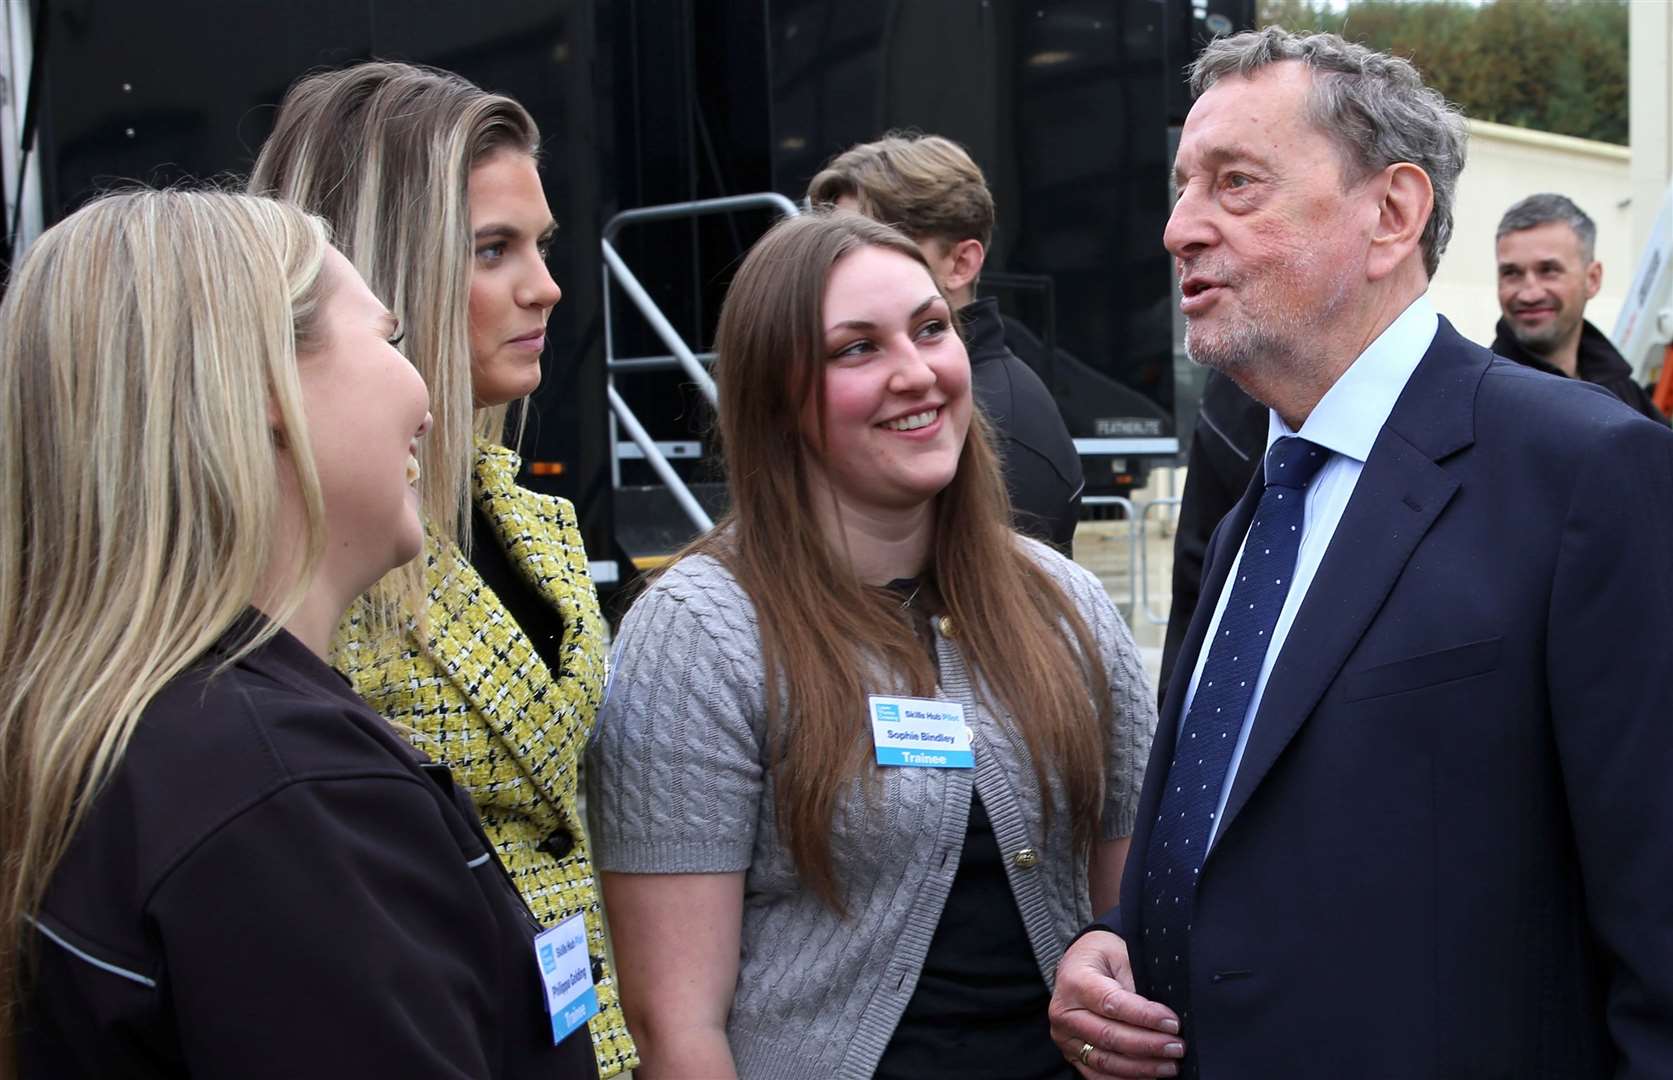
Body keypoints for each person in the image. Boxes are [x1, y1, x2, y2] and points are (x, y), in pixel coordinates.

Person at [1049, 28, 1673, 1080]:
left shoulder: (1584, 471)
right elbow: (1264, 809)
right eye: (1181, 186)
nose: (1176, 228)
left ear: (1390, 214)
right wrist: (1116, 939)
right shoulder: (1263, 484)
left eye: (1232, 184)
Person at [1, 189, 596, 1077]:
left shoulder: (149, 734)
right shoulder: (289, 792)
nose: (424, 396)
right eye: (389, 340)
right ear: (267, 383)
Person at [588, 209, 1156, 1080]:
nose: (916, 372)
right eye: (857, 349)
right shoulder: (702, 629)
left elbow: (1137, 932)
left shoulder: (1064, 603)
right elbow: (675, 1023)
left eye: (931, 330)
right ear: (776, 397)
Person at [249, 63, 634, 1077]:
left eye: (541, 246)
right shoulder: (303, 559)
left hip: (589, 1032)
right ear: (388, 267)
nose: (544, 285)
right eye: (494, 250)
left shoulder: (539, 521)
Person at [808, 132, 1085, 553]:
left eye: (881, 245)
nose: (848, 270)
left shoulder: (998, 429)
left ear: (961, 263)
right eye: (836, 250)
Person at [1492, 192, 1667, 423]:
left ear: (1592, 279)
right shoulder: (1483, 402)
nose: (1529, 294)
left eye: (1548, 270)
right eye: (1511, 273)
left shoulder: (1623, 393)